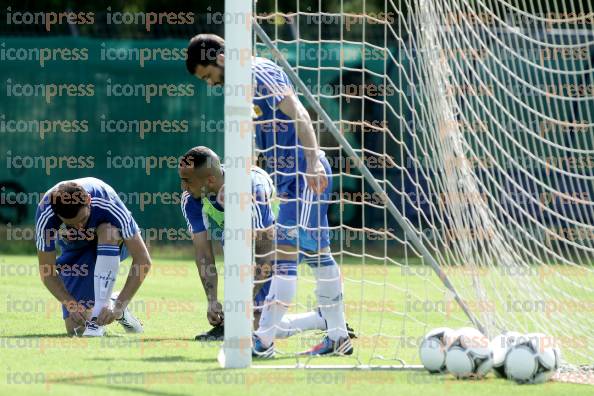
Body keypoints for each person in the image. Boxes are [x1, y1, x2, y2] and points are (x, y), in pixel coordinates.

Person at [186, 35, 352, 357]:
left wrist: (313, 161)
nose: (210, 84)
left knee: (284, 256)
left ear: (220, 58)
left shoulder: (258, 71)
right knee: (319, 257)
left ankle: (262, 341)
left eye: (208, 76)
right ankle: (338, 336)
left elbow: (301, 114)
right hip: (293, 182)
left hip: (306, 177)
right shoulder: (241, 89)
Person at [179, 146, 330, 341]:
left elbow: (265, 250)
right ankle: (232, 324)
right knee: (247, 325)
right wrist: (212, 300)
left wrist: (245, 302)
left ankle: (321, 319)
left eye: (187, 181)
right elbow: (203, 254)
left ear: (209, 180)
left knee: (259, 328)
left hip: (284, 238)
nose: (183, 187)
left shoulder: (252, 188)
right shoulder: (191, 200)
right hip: (243, 241)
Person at [35, 177, 151, 336]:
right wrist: (71, 304)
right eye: (71, 224)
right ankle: (111, 303)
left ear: (88, 200)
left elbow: (143, 259)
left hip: (113, 243)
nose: (80, 228)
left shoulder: (107, 201)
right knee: (76, 329)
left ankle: (108, 307)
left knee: (108, 230)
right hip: (77, 252)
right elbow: (46, 272)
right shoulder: (45, 214)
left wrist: (119, 306)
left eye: (83, 219)